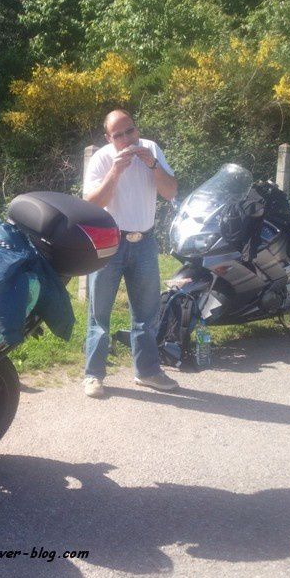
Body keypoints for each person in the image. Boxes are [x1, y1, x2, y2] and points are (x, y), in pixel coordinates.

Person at [82, 109, 178, 397]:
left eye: (130, 131)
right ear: (108, 138)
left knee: (147, 314)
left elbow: (171, 191)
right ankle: (93, 375)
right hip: (109, 242)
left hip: (145, 242)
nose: (126, 139)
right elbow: (92, 204)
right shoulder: (101, 159)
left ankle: (147, 372)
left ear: (136, 130)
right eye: (118, 135)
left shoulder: (152, 150)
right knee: (99, 313)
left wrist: (153, 165)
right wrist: (115, 170)